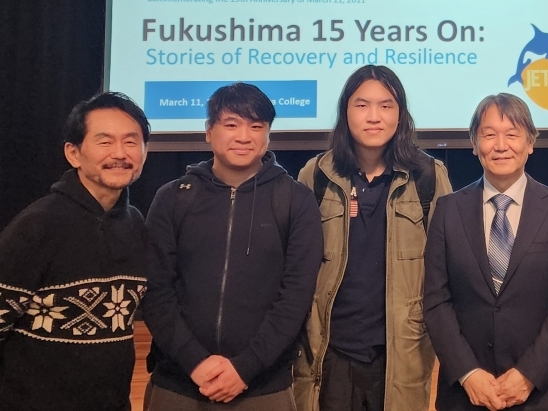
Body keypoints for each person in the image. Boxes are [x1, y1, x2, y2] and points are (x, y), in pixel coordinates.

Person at [143, 82, 323, 410]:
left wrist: (245, 368)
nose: (244, 136)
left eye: (256, 126)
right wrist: (194, 362)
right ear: (209, 131)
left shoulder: (296, 200)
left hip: (263, 386)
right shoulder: (173, 198)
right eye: (231, 124)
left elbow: (296, 297)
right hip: (179, 382)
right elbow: (156, 290)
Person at [292, 65, 453, 411]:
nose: (374, 116)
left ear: (401, 114)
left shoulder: (428, 176)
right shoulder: (316, 174)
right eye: (362, 105)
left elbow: (446, 269)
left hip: (401, 352)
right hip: (330, 352)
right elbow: (297, 266)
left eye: (386, 105)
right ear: (345, 112)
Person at [424, 93, 548, 410]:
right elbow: (436, 300)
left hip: (539, 393)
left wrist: (529, 374)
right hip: (465, 395)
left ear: (530, 142)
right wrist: (468, 373)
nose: (501, 146)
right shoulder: (448, 210)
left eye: (512, 134)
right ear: (474, 143)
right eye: (489, 135)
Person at [0, 92, 150, 411]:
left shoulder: (135, 223)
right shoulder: (38, 225)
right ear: (74, 153)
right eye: (105, 142)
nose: (120, 153)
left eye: (131, 141)